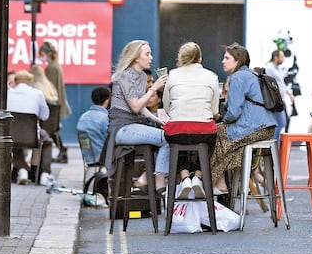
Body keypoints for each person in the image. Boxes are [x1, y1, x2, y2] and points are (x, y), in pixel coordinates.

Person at [210, 43, 277, 194]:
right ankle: (224, 184)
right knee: (230, 143)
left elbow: (233, 113)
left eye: (227, 58)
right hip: (266, 127)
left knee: (214, 133)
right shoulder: (252, 74)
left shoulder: (238, 77)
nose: (223, 61)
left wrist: (222, 119)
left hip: (255, 128)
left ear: (237, 60)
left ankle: (216, 183)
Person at [106, 40, 170, 193]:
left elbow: (140, 107)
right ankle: (159, 181)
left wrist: (157, 120)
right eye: (147, 54)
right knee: (167, 138)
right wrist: (153, 89)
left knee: (166, 134)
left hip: (132, 125)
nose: (151, 58)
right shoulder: (125, 77)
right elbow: (135, 106)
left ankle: (151, 179)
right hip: (122, 128)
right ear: (135, 57)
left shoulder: (140, 76)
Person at [161, 41, 220, 199]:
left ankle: (185, 177)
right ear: (200, 58)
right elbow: (215, 111)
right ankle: (198, 177)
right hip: (204, 129)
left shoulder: (172, 75)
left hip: (177, 129)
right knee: (210, 142)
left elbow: (166, 106)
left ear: (180, 58)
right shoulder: (211, 76)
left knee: (177, 142)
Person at [7, 70, 55, 186]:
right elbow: (45, 116)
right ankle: (44, 174)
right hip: (32, 135)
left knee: (13, 141)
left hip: (12, 134)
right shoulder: (37, 94)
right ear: (30, 82)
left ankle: (22, 169)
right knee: (47, 142)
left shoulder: (8, 94)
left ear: (16, 82)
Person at [39, 41, 71, 164]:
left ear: (47, 53)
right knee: (53, 129)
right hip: (56, 102)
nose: (41, 57)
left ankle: (62, 151)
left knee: (51, 129)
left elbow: (49, 87)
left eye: (42, 54)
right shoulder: (55, 66)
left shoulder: (51, 68)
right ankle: (62, 151)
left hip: (52, 103)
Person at [77, 85, 111, 161]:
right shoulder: (105, 118)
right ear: (107, 101)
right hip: (102, 158)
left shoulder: (83, 117)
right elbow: (111, 140)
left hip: (88, 158)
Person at [264, 49, 290, 141]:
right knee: (281, 122)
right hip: (275, 101)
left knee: (279, 122)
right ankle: (274, 142)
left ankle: (274, 142)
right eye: (281, 57)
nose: (283, 59)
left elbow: (281, 83)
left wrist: (289, 94)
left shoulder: (277, 68)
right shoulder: (269, 68)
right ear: (275, 57)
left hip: (279, 100)